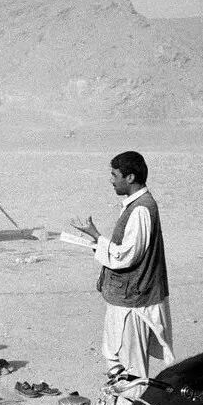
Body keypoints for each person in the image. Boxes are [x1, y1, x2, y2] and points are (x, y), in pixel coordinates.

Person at [73, 150, 174, 379]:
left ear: (130, 177)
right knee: (115, 358)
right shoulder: (134, 205)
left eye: (114, 175)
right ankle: (120, 400)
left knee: (132, 368)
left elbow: (127, 256)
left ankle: (133, 402)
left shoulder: (141, 209)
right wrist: (97, 243)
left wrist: (97, 237)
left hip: (134, 303)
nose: (111, 180)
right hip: (124, 299)